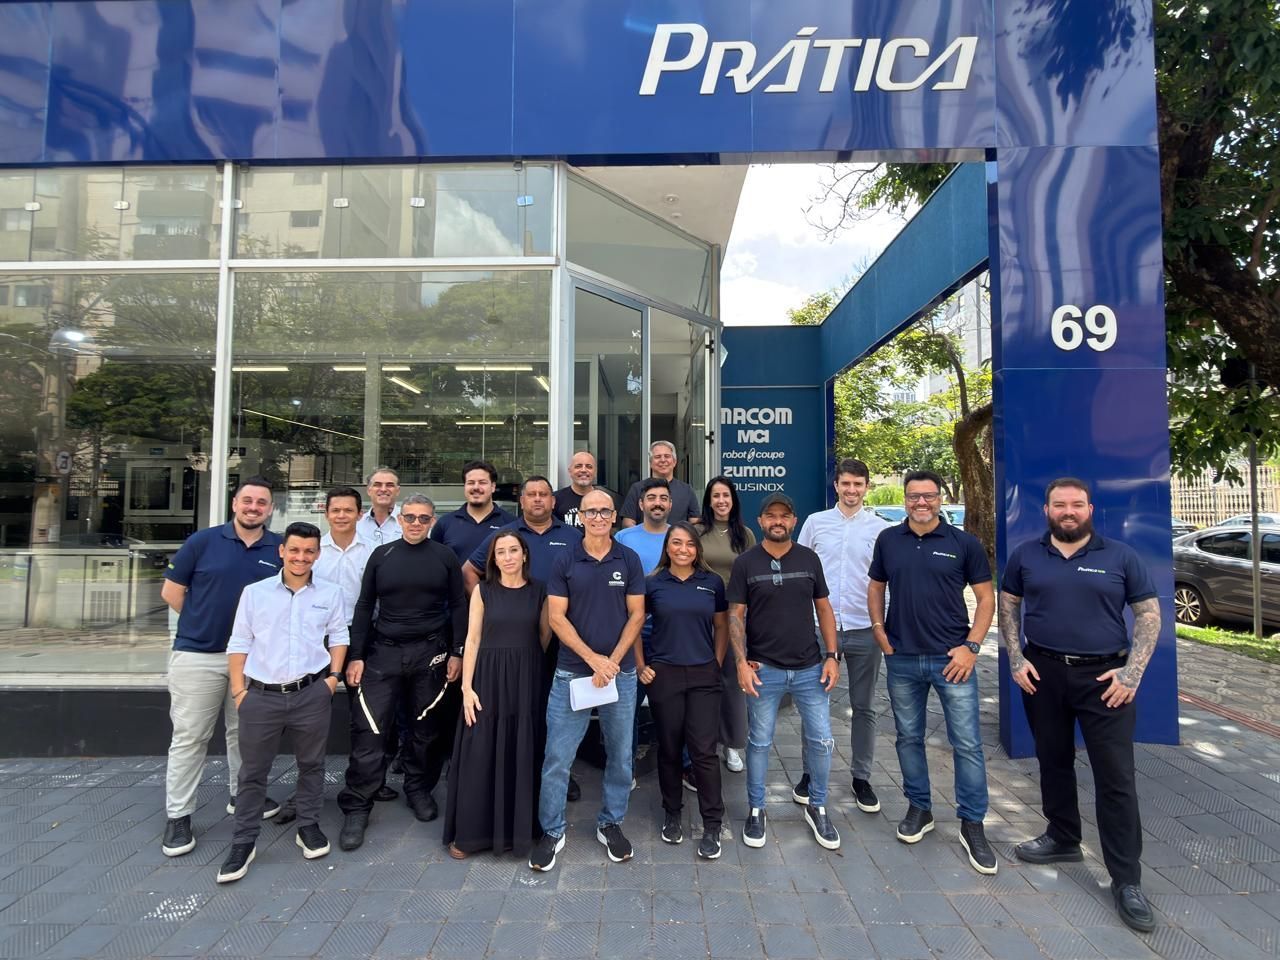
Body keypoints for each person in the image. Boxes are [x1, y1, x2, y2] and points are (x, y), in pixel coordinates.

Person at [1002, 478, 1161, 933]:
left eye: (1076, 505)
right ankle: (1062, 836)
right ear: (1047, 510)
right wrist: (1016, 658)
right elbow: (1010, 604)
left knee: (1115, 777)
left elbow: (1149, 614)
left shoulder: (1120, 556)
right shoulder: (1028, 555)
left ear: (1089, 508)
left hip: (1104, 679)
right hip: (1043, 673)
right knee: (1052, 760)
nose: (1068, 511)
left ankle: (1127, 880)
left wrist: (1131, 674)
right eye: (1059, 505)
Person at [867, 469, 998, 875]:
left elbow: (985, 597)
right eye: (913, 496)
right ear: (905, 499)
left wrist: (971, 648)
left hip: (952, 661)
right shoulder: (889, 539)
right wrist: (879, 632)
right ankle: (919, 808)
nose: (920, 503)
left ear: (939, 498)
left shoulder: (963, 543)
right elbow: (875, 586)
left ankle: (972, 822)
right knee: (908, 737)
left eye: (928, 496)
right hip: (902, 658)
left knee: (967, 743)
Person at [216, 522, 349, 883]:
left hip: (312, 693)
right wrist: (239, 691)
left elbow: (338, 634)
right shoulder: (255, 593)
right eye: (294, 550)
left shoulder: (331, 593)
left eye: (308, 551)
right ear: (282, 551)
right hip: (261, 695)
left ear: (317, 555)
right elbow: (239, 642)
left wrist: (333, 677)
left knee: (312, 765)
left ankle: (308, 825)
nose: (301, 557)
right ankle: (244, 841)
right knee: (252, 773)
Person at [159, 476, 284, 858]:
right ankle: (178, 816)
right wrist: (202, 623)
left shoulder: (278, 547)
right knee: (190, 737)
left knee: (243, 734)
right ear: (235, 504)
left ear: (270, 509)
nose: (254, 507)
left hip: (253, 661)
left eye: (261, 503)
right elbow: (172, 591)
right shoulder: (203, 542)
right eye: (247, 501)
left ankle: (239, 795)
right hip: (200, 655)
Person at [337, 494, 468, 850]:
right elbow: (365, 605)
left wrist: (457, 651)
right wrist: (357, 655)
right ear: (399, 520)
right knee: (370, 727)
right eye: (409, 518)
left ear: (431, 522)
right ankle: (358, 803)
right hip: (383, 652)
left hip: (431, 652)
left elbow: (459, 605)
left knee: (425, 728)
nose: (415, 524)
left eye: (423, 519)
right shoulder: (382, 556)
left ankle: (418, 789)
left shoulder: (445, 557)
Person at [529, 489, 645, 871]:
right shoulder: (566, 559)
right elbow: (557, 617)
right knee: (558, 757)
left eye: (604, 511)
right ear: (581, 516)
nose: (597, 517)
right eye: (591, 511)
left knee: (620, 755)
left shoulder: (627, 559)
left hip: (620, 675)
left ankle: (610, 823)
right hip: (571, 674)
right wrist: (593, 659)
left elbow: (637, 616)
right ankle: (552, 830)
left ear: (614, 516)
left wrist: (610, 661)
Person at [728, 492, 842, 851]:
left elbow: (823, 610)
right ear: (760, 522)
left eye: (785, 516)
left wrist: (832, 655)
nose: (778, 521)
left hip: (810, 668)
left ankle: (818, 805)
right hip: (765, 669)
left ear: (794, 521)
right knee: (759, 742)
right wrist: (740, 663)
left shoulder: (809, 559)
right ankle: (757, 808)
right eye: (771, 516)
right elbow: (735, 616)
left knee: (822, 741)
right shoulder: (746, 562)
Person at [463, 475, 584, 802]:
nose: (538, 499)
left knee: (556, 712)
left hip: (563, 637)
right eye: (531, 494)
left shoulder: (573, 536)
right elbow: (469, 571)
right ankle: (521, 771)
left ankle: (561, 772)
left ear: (553, 501)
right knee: (524, 710)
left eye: (544, 494)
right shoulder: (507, 535)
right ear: (522, 500)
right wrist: (492, 607)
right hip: (517, 641)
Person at [444, 532, 551, 859]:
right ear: (493, 559)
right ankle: (472, 835)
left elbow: (544, 638)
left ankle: (518, 832)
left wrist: (526, 667)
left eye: (513, 550)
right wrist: (466, 688)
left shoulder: (540, 591)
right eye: (500, 552)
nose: (507, 557)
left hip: (526, 679)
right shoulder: (482, 591)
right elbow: (472, 639)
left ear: (524, 555)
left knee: (521, 750)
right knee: (481, 752)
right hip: (487, 679)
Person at [793, 459, 891, 813]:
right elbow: (799, 570)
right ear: (836, 485)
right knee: (813, 706)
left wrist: (883, 625)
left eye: (858, 484)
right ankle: (808, 774)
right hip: (820, 631)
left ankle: (861, 777)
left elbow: (886, 582)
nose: (851, 490)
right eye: (845, 484)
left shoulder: (881, 530)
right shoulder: (816, 523)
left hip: (865, 628)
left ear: (866, 487)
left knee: (865, 707)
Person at [641, 522, 728, 859]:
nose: (683, 549)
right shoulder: (653, 583)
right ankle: (672, 813)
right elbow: (635, 623)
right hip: (666, 675)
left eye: (689, 544)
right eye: (676, 543)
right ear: (667, 547)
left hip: (704, 674)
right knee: (669, 748)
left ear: (697, 549)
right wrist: (641, 663)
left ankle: (712, 823)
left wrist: (717, 662)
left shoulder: (712, 583)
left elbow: (721, 625)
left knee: (704, 752)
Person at [694, 477, 756, 774]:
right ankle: (705, 741)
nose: (721, 501)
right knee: (703, 679)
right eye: (716, 496)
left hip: (734, 615)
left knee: (732, 680)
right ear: (708, 501)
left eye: (726, 496)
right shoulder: (696, 532)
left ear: (733, 501)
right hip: (701, 613)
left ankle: (732, 745)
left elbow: (752, 579)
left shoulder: (744, 535)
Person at [620, 441, 699, 528]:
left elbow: (695, 524)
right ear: (650, 463)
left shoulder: (687, 490)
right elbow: (628, 522)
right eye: (658, 457)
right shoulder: (637, 488)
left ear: (674, 462)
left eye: (667, 456)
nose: (663, 460)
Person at [554, 450, 612, 529]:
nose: (583, 470)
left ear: (595, 472)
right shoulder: (556, 499)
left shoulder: (606, 499)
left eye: (589, 466)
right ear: (570, 471)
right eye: (578, 466)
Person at [357, 467, 405, 545]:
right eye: (377, 485)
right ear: (369, 490)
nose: (383, 489)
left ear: (398, 491)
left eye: (389, 485)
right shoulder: (357, 524)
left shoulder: (410, 521)